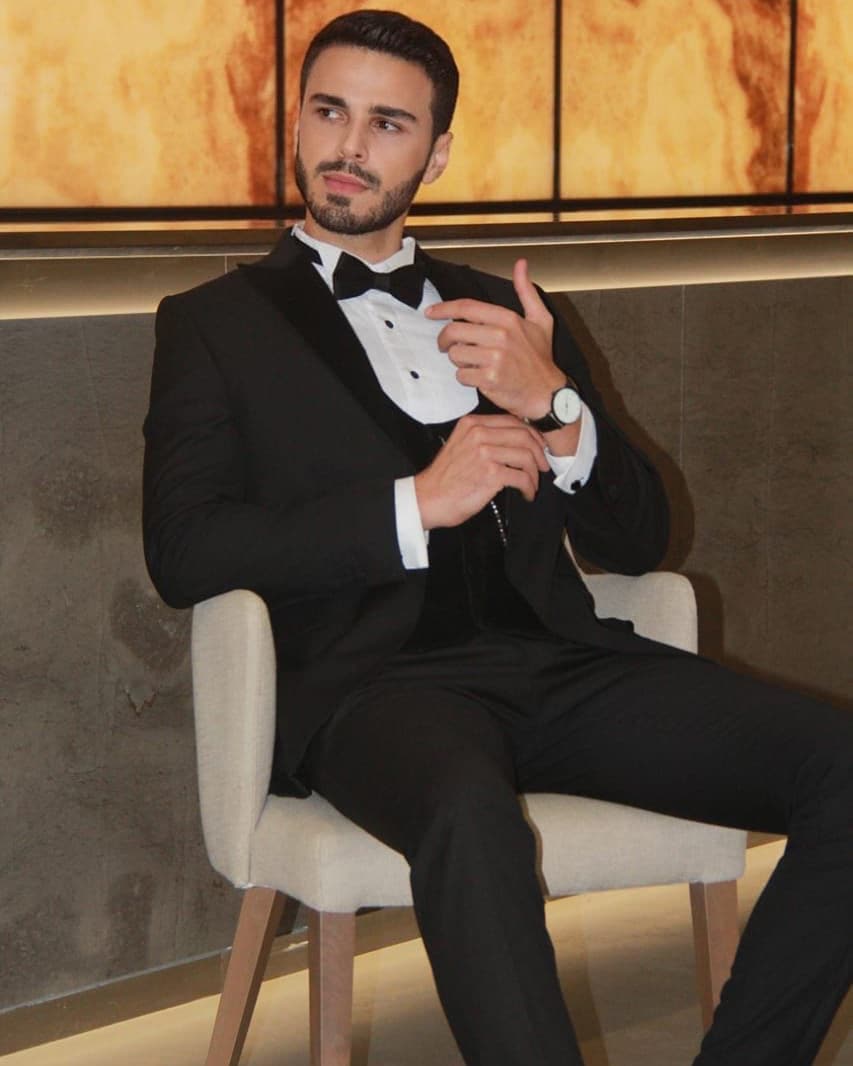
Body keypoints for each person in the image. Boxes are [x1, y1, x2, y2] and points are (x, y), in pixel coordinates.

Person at [143, 10, 852, 1065]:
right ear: (295, 123)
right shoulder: (214, 323)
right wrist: (413, 505)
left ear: (436, 153)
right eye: (329, 112)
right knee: (468, 813)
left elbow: (643, 538)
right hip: (373, 688)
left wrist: (556, 403)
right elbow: (185, 550)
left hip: (559, 663)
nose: (349, 146)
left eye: (388, 124)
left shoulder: (505, 309)